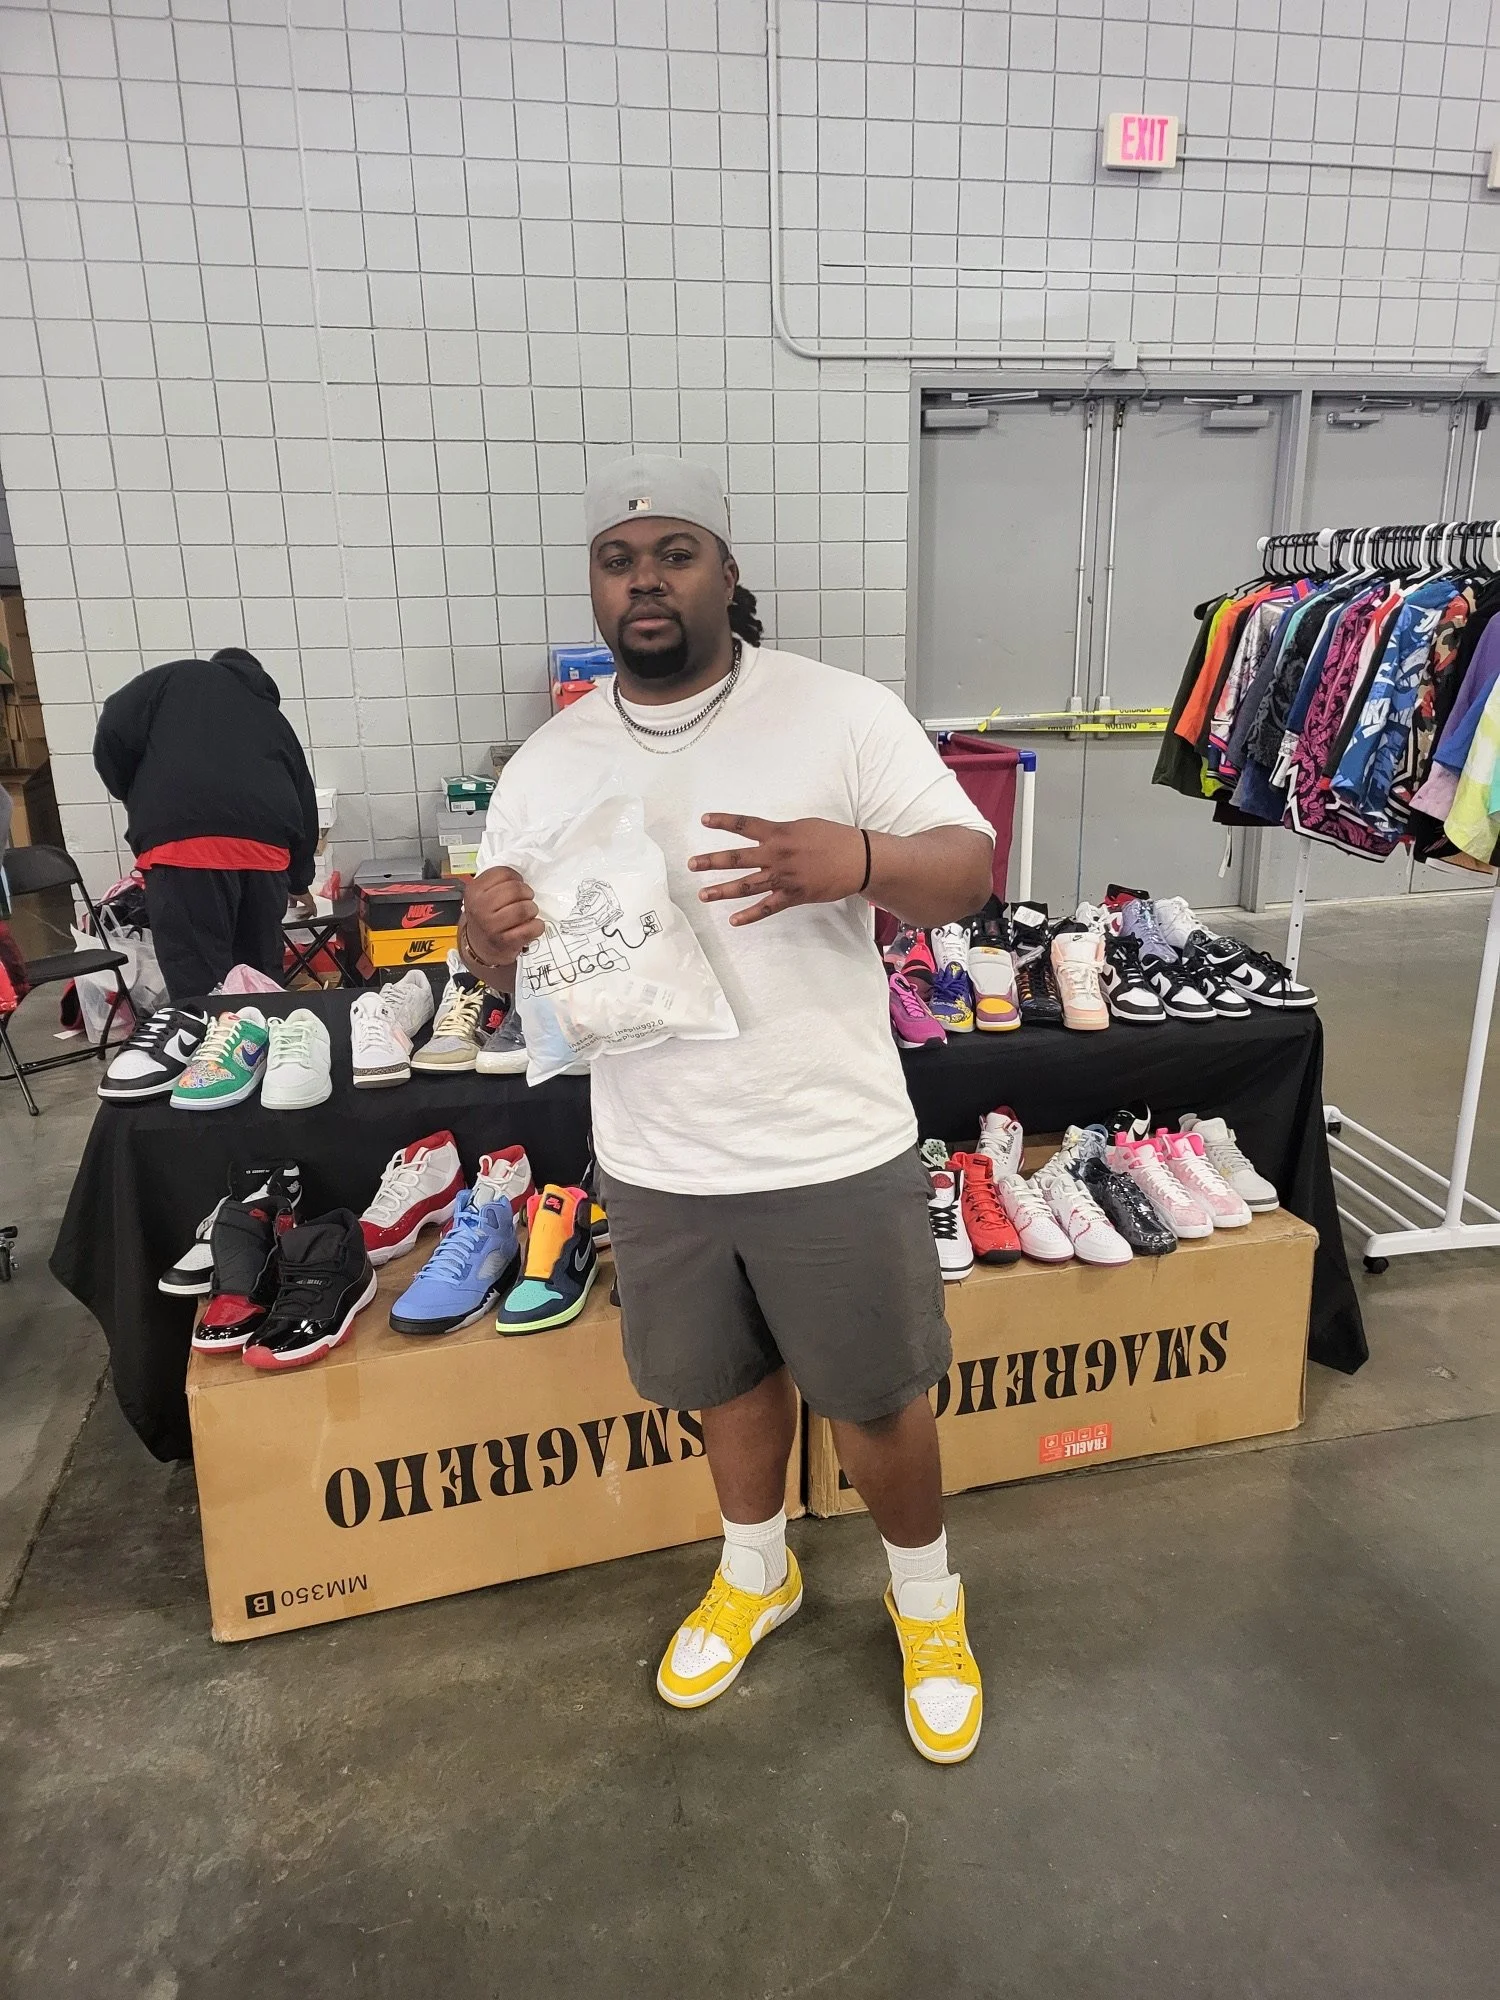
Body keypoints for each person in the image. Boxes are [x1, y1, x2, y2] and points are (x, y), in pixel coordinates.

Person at [464, 456, 996, 1765]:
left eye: (676, 551)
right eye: (618, 557)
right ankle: (756, 1571)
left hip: (829, 1139)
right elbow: (505, 967)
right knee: (724, 1383)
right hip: (654, 1150)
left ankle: (929, 1603)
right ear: (596, 588)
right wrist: (481, 938)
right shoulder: (548, 760)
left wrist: (857, 860)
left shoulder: (839, 712)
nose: (645, 577)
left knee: (877, 1398)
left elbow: (971, 875)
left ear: (727, 573)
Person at [93, 648, 319, 1001]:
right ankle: (268, 1050)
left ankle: (207, 1051)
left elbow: (112, 725)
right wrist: (300, 880)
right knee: (258, 976)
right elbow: (304, 797)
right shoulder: (270, 716)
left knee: (198, 979)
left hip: (184, 850)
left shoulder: (172, 679)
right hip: (264, 853)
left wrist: (135, 796)